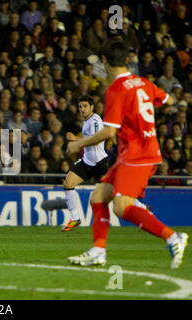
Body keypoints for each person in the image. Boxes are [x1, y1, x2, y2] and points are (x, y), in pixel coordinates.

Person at [66, 39, 188, 269]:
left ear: (104, 61)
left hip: (138, 155)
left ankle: (173, 237)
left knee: (121, 207)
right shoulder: (143, 82)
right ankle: (98, 251)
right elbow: (169, 100)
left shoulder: (116, 89)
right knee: (98, 197)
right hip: (138, 152)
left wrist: (78, 144)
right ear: (128, 59)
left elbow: (110, 131)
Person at [62, 95, 109, 232]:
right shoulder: (86, 121)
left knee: (115, 191)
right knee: (68, 183)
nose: (82, 109)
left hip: (100, 163)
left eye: (85, 106)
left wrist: (75, 140)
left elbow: (96, 139)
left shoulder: (95, 120)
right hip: (87, 161)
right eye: (80, 107)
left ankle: (141, 207)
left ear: (92, 107)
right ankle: (75, 218)